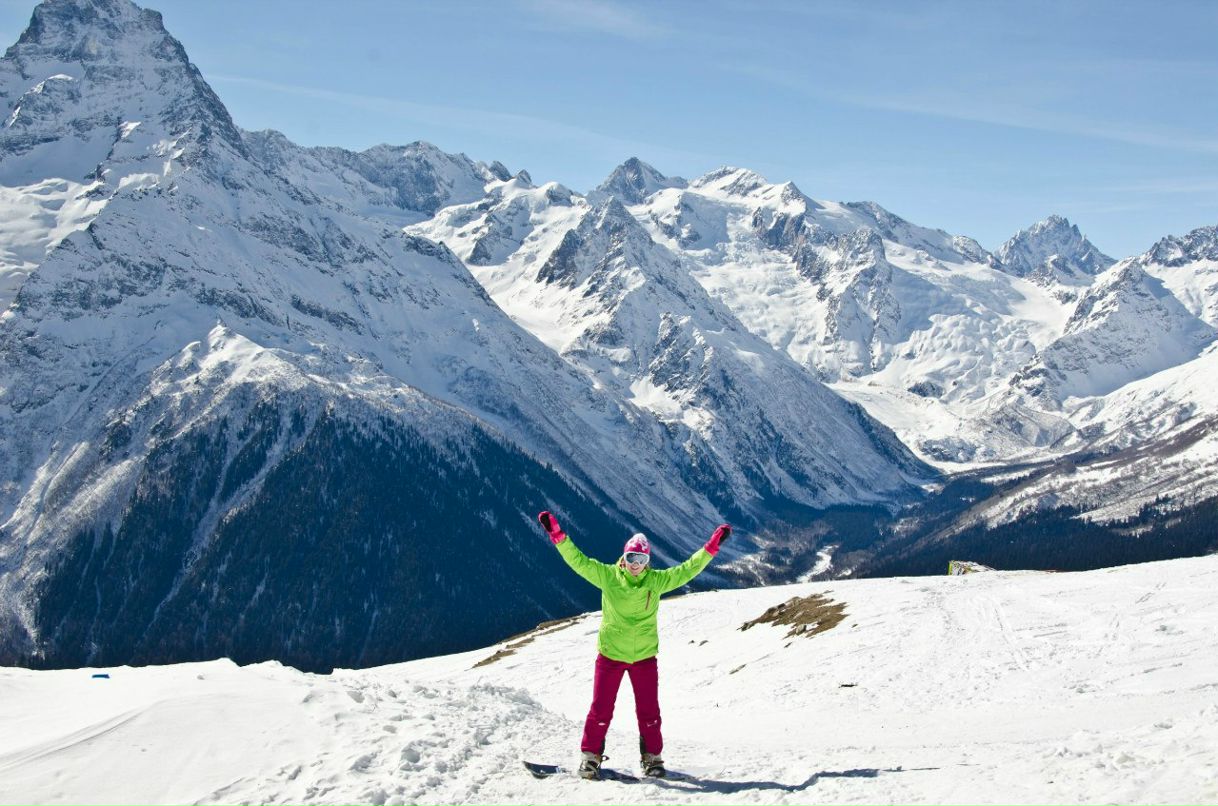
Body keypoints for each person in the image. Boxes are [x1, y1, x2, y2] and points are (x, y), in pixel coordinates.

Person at [536, 510, 731, 780]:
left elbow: (687, 570)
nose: (635, 563)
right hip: (611, 655)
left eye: (641, 558)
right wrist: (557, 535)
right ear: (624, 558)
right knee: (601, 710)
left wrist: (711, 548)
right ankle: (590, 757)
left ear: (647, 561)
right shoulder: (608, 577)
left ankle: (652, 759)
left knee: (649, 712)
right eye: (631, 557)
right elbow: (578, 561)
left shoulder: (656, 581)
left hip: (644, 658)